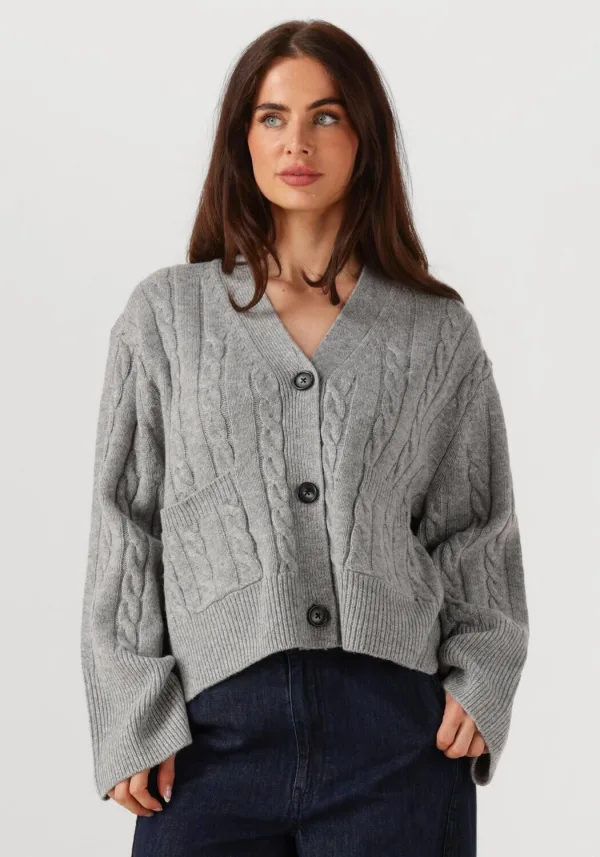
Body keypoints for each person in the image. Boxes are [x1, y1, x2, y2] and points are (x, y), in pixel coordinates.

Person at [80, 18, 529, 856]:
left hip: (396, 735)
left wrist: (485, 673)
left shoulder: (436, 332)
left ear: (365, 138)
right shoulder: (167, 317)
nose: (298, 141)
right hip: (208, 736)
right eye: (272, 117)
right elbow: (127, 524)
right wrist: (131, 709)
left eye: (326, 115)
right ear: (242, 139)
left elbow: (476, 524)